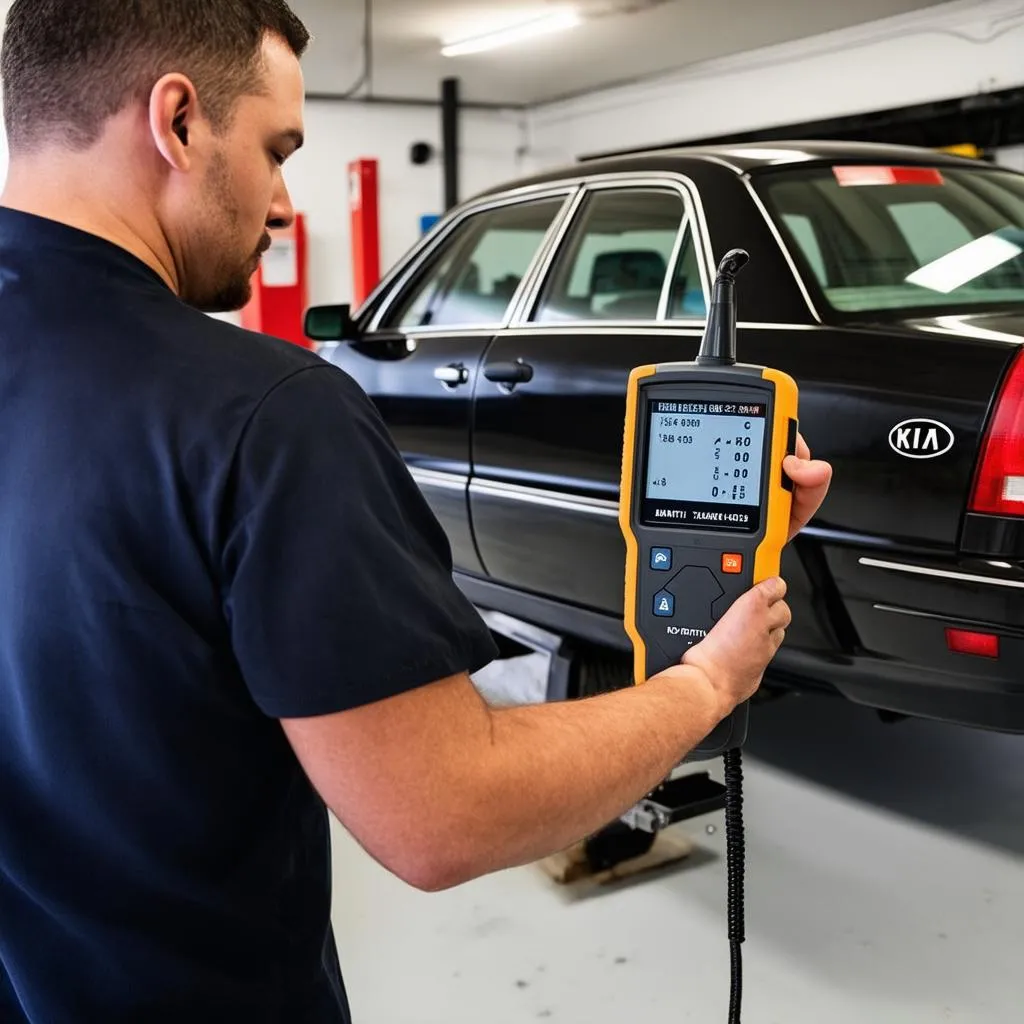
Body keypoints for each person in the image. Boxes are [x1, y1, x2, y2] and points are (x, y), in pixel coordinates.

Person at [0, 1, 833, 1021]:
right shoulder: (264, 414)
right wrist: (706, 682)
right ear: (176, 121)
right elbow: (443, 814)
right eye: (275, 150)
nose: (280, 207)